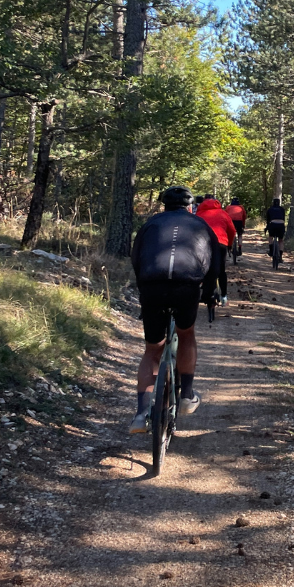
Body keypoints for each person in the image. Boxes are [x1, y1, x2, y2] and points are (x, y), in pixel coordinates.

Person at [129, 185, 218, 433]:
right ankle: (187, 395)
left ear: (164, 206)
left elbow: (136, 258)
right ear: (190, 207)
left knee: (152, 349)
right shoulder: (201, 225)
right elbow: (215, 265)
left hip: (152, 285)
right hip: (186, 285)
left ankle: (140, 414)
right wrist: (209, 294)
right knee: (186, 333)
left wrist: (144, 291)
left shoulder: (150, 224)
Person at [195, 194, 237, 306]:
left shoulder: (199, 214)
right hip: (220, 243)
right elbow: (232, 230)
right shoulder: (223, 213)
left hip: (203, 244)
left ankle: (200, 292)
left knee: (201, 268)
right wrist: (229, 244)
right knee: (221, 270)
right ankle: (224, 297)